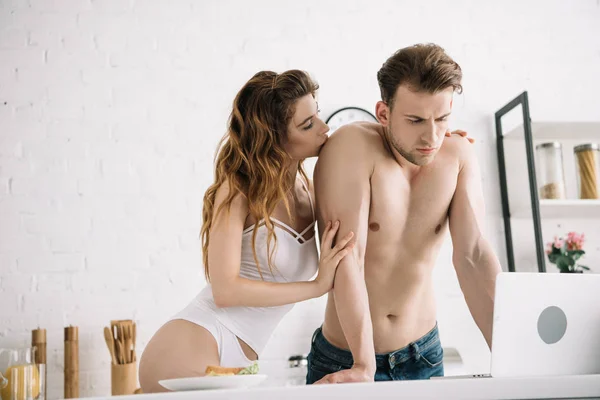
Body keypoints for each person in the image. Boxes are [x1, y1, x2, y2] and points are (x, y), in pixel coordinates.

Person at [138, 69, 355, 393]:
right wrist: (317, 285)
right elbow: (225, 291)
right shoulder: (238, 190)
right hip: (193, 342)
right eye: (307, 125)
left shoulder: (307, 188)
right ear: (274, 136)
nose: (323, 129)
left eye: (318, 115)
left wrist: (446, 144)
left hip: (241, 358)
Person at [306, 43, 502, 384]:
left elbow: (472, 257)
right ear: (383, 113)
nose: (432, 136)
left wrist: (508, 353)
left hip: (423, 355)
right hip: (346, 358)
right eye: (415, 120)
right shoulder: (351, 146)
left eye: (442, 118)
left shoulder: (458, 155)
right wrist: (364, 365)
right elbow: (347, 259)